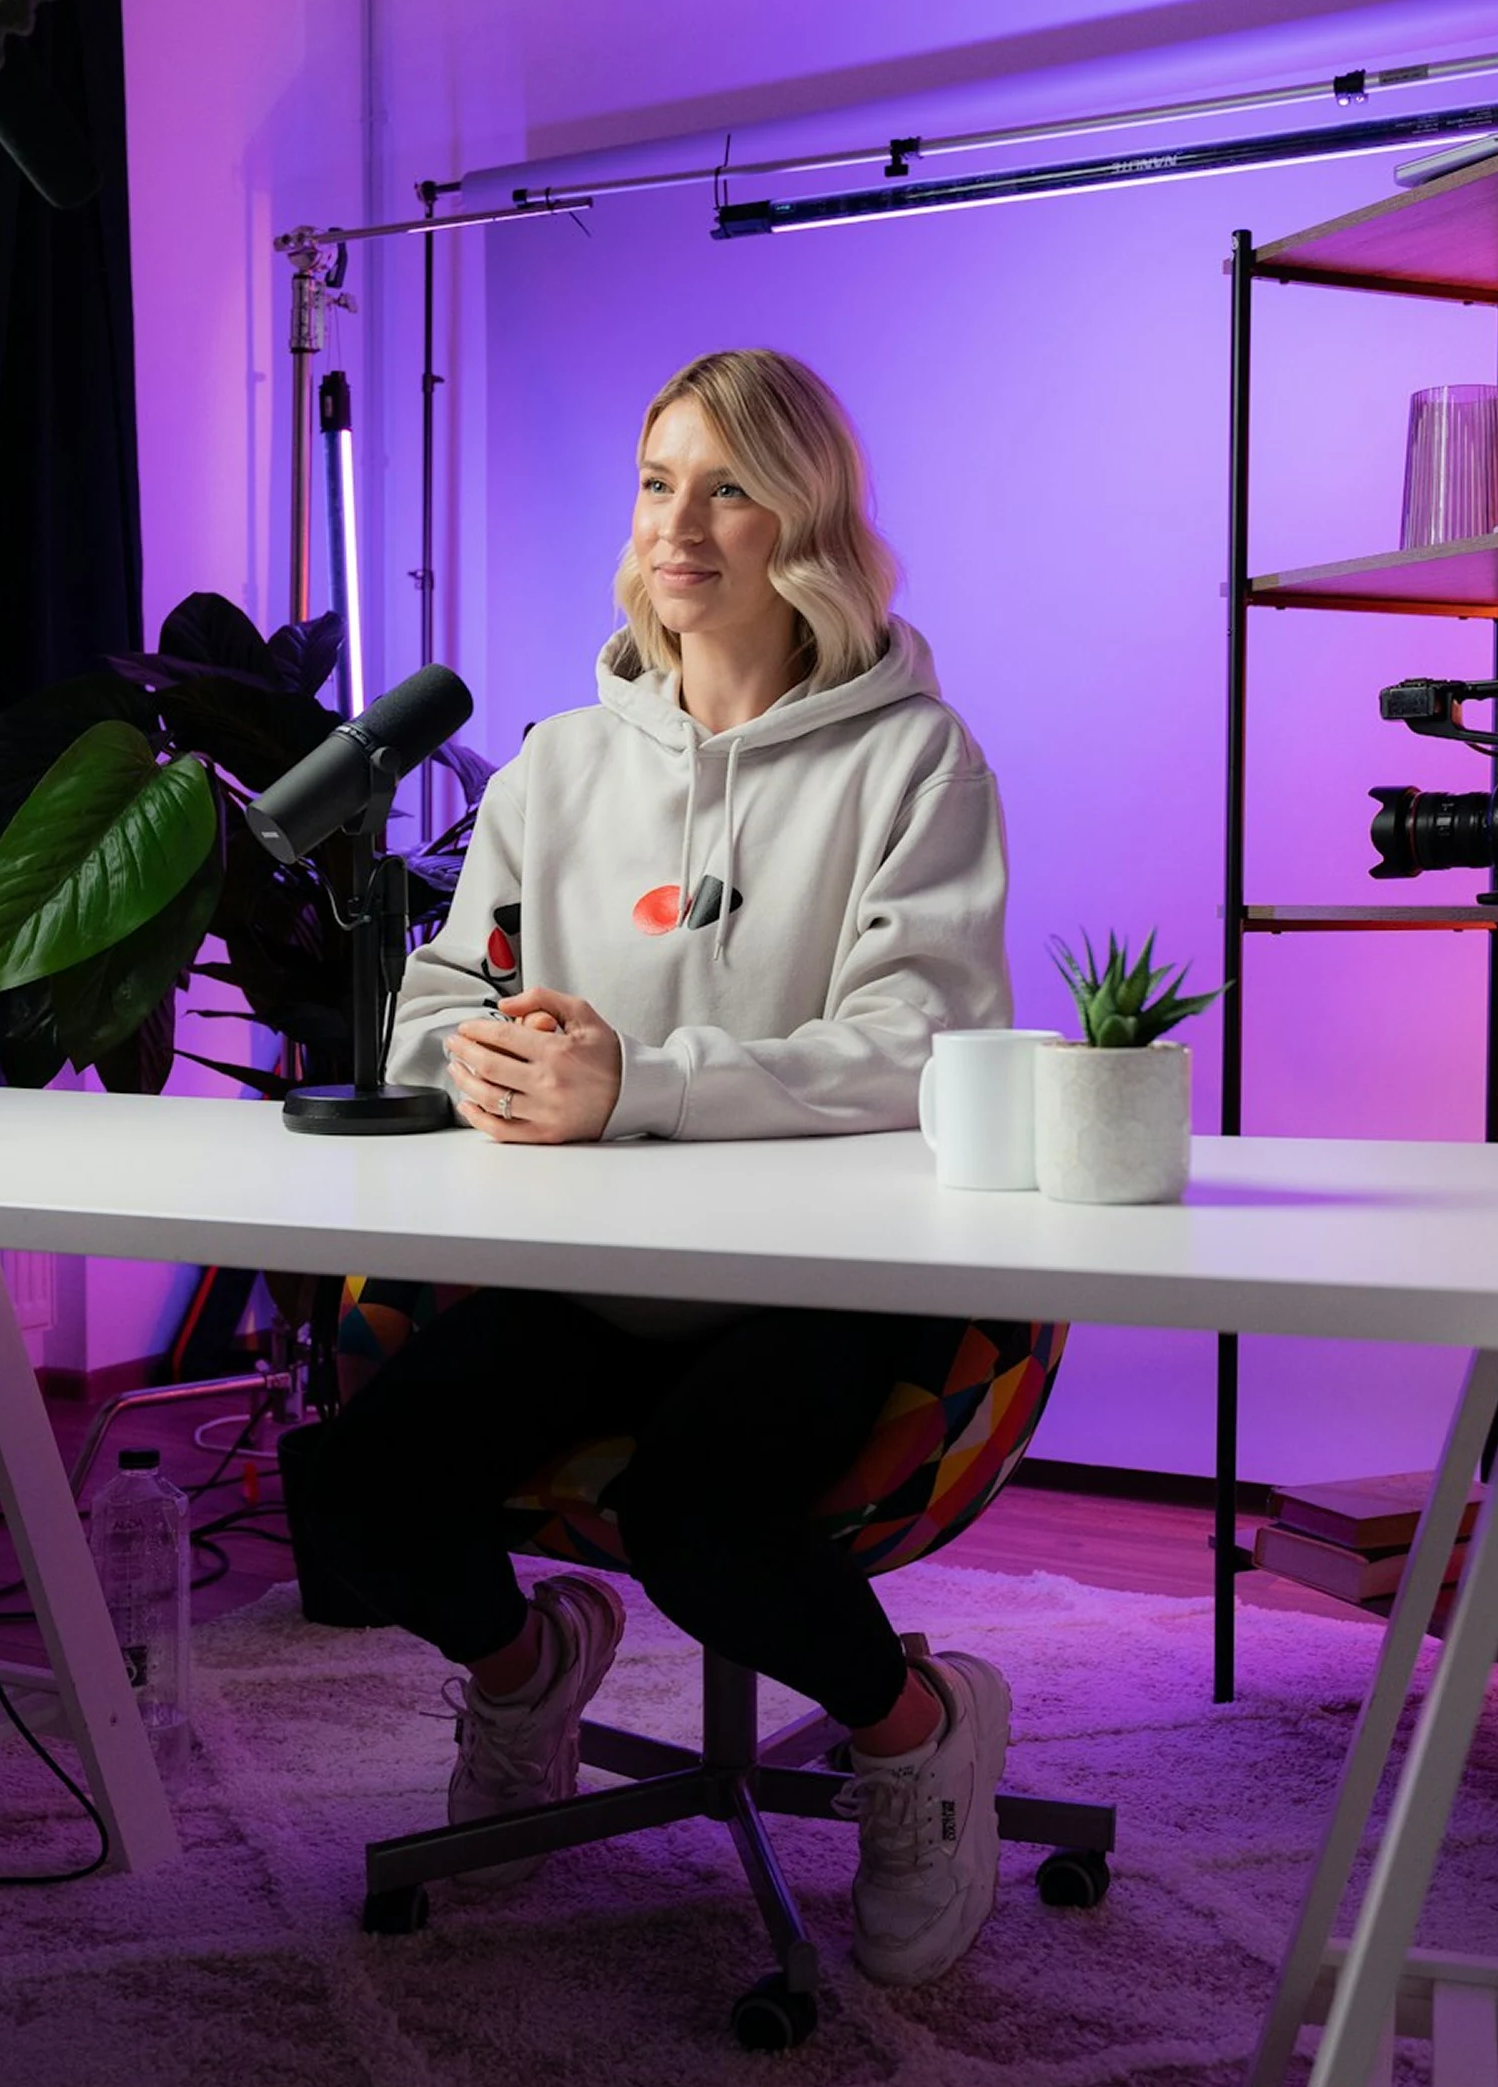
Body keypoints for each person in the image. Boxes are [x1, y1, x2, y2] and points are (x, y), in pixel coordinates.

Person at [294, 348, 1016, 1988]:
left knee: (705, 1528)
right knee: (356, 1492)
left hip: (831, 1281)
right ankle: (525, 1669)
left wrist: (645, 1083)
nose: (677, 524)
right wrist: (476, 1059)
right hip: (596, 1278)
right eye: (654, 481)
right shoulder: (560, 764)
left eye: (729, 485)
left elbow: (928, 1040)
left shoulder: (916, 760)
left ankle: (920, 1731)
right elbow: (437, 1000)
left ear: (805, 522)